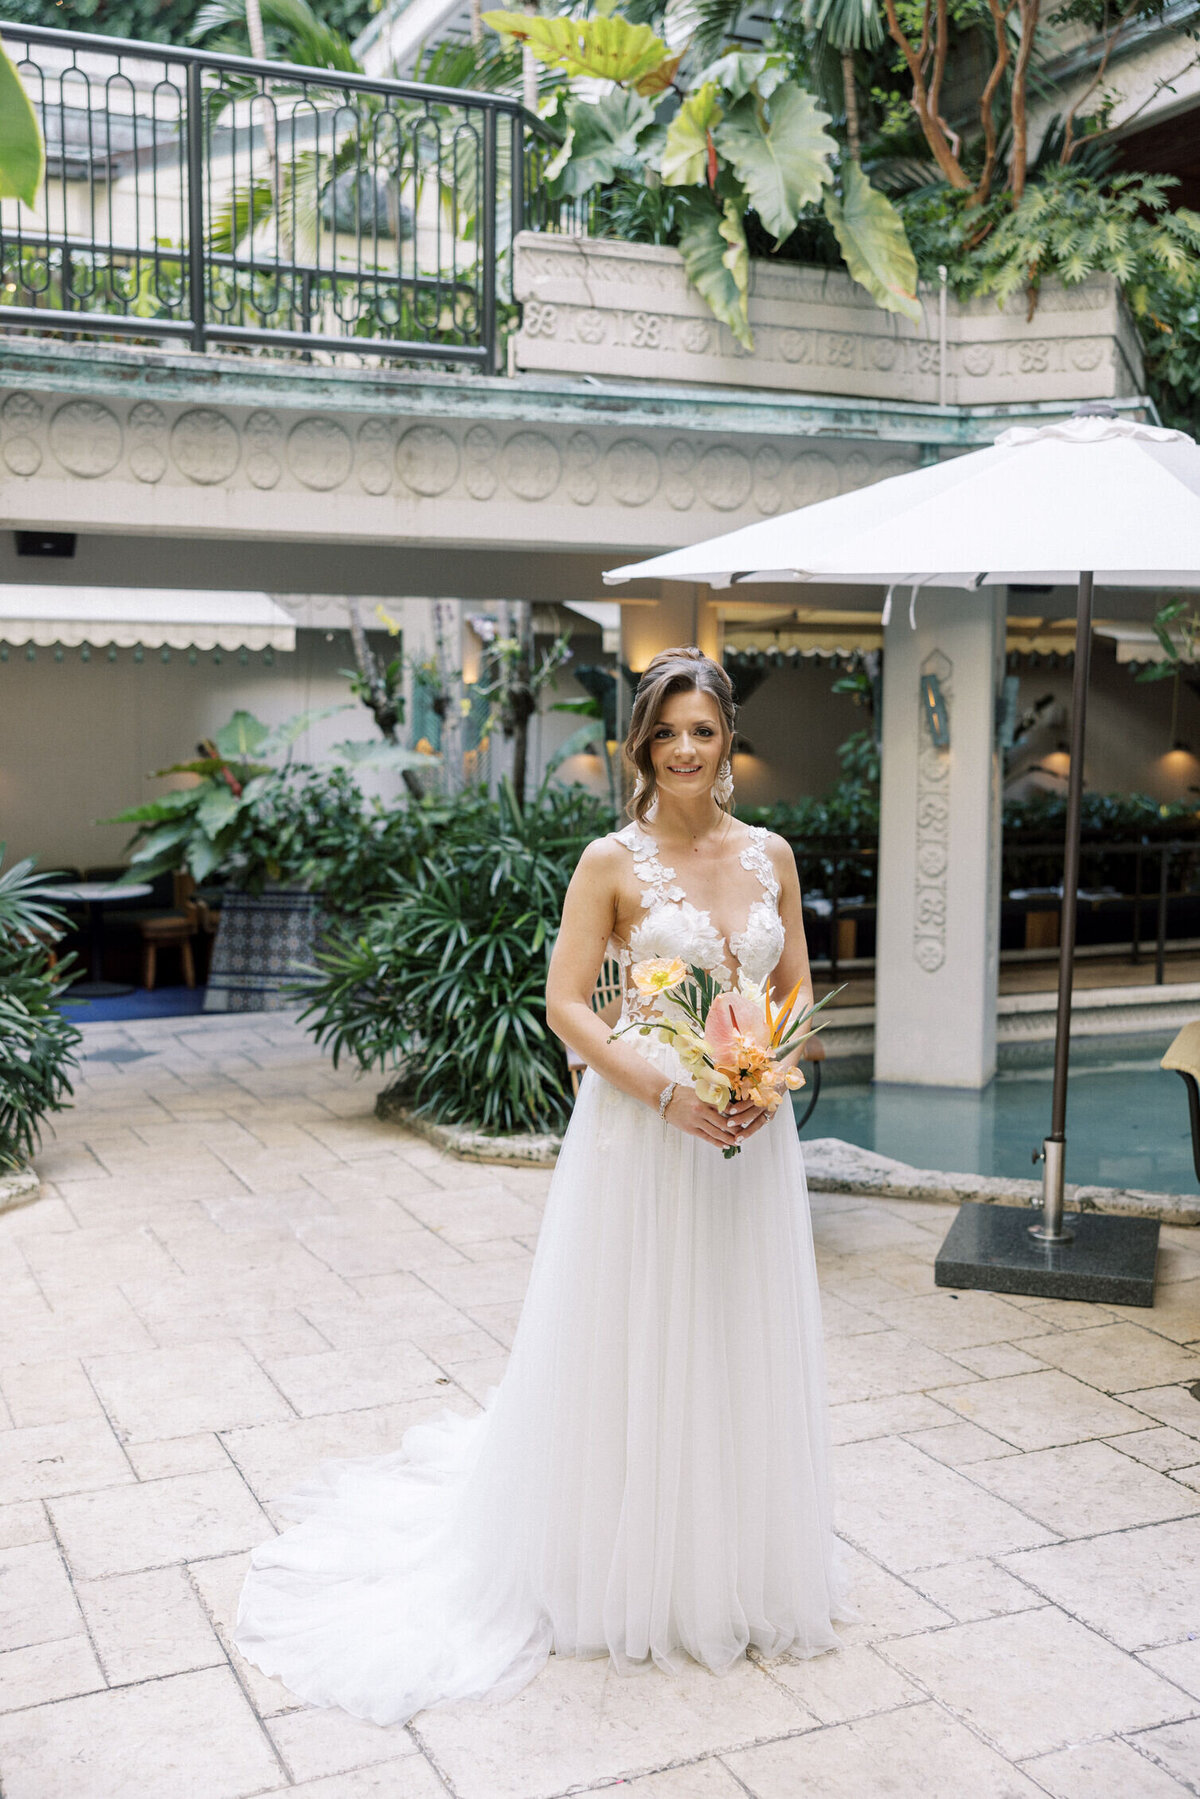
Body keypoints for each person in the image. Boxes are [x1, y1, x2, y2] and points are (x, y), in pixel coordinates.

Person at [234, 645, 851, 1726]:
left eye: (702, 730)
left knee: (736, 1329)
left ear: (728, 738)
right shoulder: (609, 862)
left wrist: (770, 1069)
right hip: (646, 1128)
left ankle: (733, 1556)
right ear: (641, 745)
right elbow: (569, 1004)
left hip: (753, 1128)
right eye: (666, 733)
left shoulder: (774, 854)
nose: (686, 751)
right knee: (639, 1333)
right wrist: (668, 1091)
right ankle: (628, 1556)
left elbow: (794, 979)